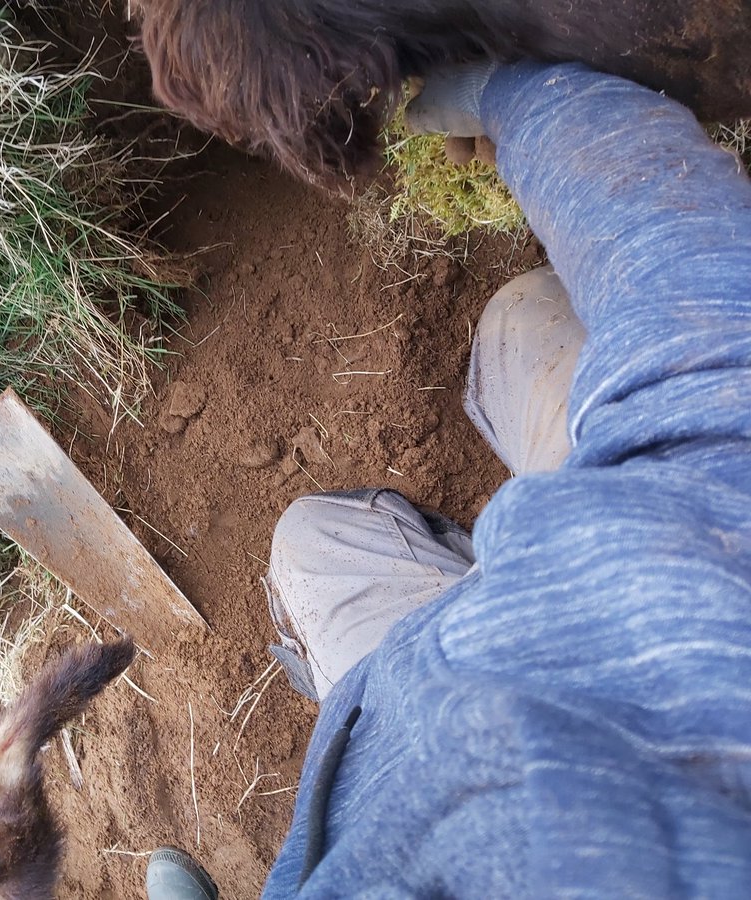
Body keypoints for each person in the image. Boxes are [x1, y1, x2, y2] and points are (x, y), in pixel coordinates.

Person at [148, 58, 751, 898]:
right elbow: (710, 315)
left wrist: (516, 96)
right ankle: (486, 557)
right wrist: (520, 93)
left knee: (312, 541)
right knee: (524, 319)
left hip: (402, 729)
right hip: (627, 562)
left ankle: (413, 622)